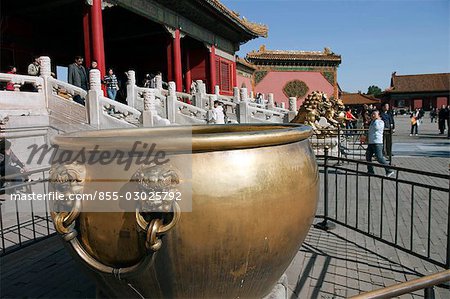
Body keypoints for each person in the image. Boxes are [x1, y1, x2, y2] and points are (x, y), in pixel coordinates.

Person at [365, 110, 394, 177]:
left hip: (377, 142)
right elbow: (370, 131)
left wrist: (377, 120)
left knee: (379, 158)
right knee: (368, 156)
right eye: (372, 114)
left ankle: (389, 170)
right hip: (371, 142)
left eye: (374, 114)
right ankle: (370, 171)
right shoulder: (372, 122)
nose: (372, 115)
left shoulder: (380, 122)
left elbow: (377, 128)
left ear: (378, 115)